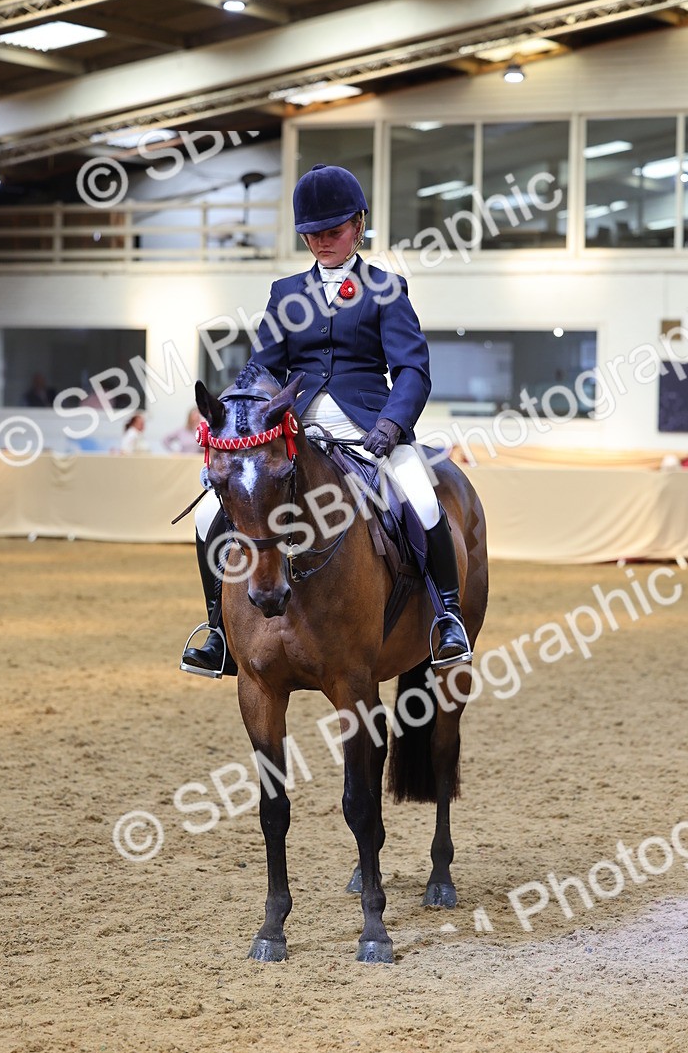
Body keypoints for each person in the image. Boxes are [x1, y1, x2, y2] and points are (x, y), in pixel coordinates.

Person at [180, 163, 471, 677]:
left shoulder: (386, 289)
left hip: (368, 428)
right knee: (207, 514)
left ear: (358, 225)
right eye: (311, 233)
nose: (321, 242)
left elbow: (412, 370)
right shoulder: (286, 292)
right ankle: (218, 631)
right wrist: (236, 416)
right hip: (294, 429)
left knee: (423, 499)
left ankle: (447, 617)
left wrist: (391, 424)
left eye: (332, 231)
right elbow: (262, 368)